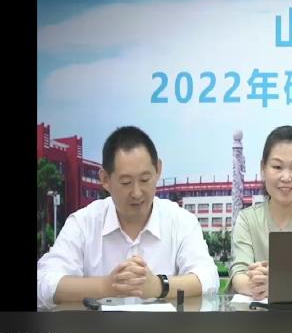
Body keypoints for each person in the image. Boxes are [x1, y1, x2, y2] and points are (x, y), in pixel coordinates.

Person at [37, 126, 219, 310]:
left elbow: (208, 278)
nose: (137, 193)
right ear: (105, 179)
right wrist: (107, 287)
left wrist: (158, 286)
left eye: (145, 179)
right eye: (126, 182)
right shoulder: (84, 223)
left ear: (158, 169)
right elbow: (44, 282)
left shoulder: (181, 221)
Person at [229, 125, 292, 300]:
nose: (286, 177)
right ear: (263, 168)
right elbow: (239, 274)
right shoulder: (247, 219)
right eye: (277, 167)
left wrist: (278, 284)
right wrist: (255, 284)